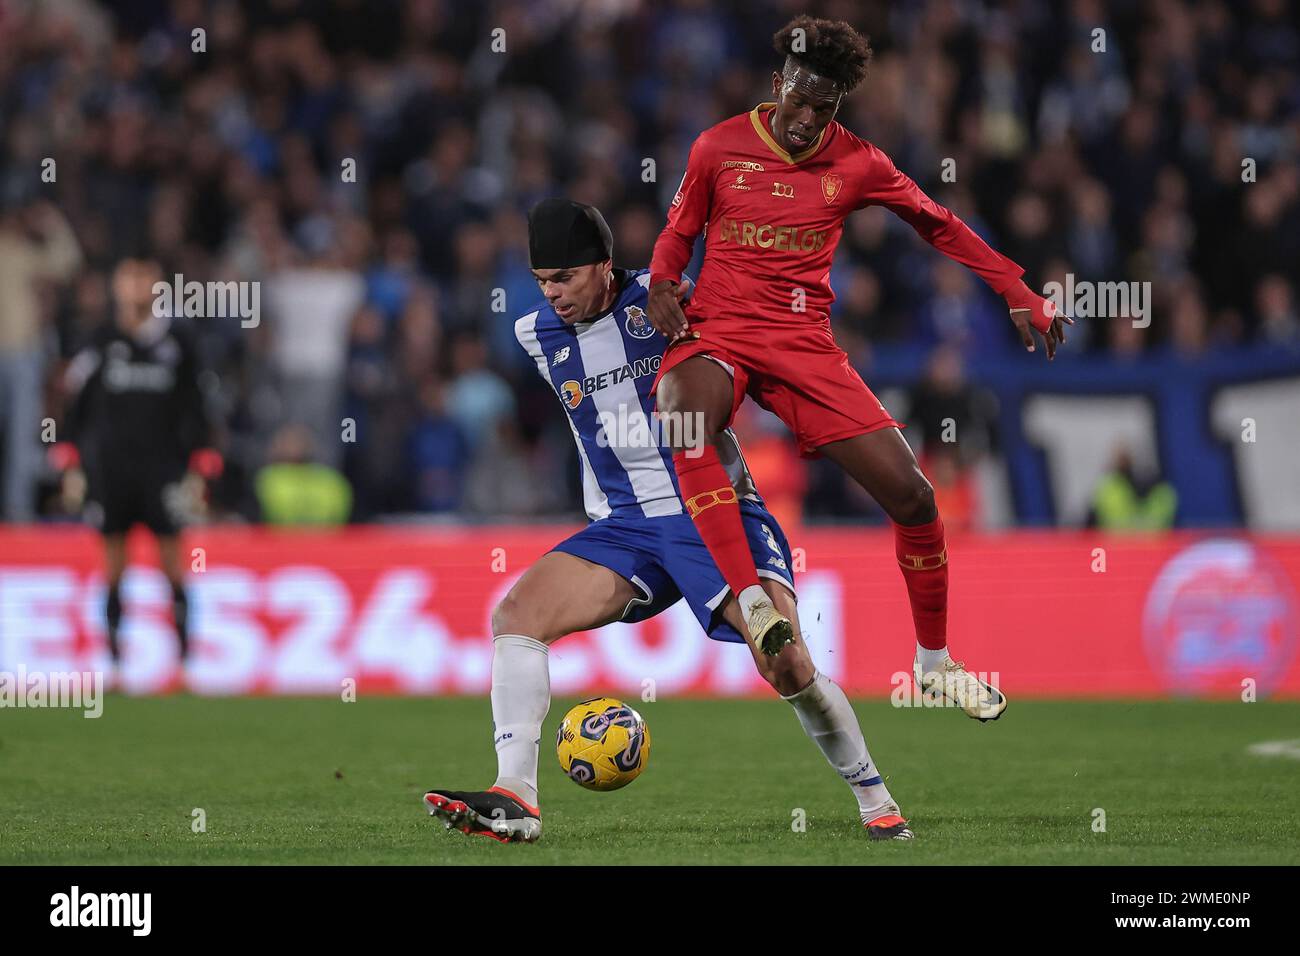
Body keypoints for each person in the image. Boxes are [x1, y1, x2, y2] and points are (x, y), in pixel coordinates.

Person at [423, 199, 912, 843]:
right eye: (542, 280)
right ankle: (516, 796)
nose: (552, 294)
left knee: (787, 662)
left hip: (713, 510)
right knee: (515, 616)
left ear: (604, 267)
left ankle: (877, 802)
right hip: (624, 528)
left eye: (565, 278)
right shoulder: (533, 335)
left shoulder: (671, 305)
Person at [646, 16, 1073, 720]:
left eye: (826, 107)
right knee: (684, 410)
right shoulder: (716, 147)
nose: (808, 119)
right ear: (778, 81)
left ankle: (933, 664)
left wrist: (1015, 288)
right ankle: (752, 600)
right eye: (801, 99)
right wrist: (665, 280)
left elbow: (938, 221)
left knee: (916, 500)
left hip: (804, 345)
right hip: (718, 331)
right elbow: (678, 230)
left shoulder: (858, 163)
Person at [53, 259, 220, 686]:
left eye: (145, 277)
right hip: (110, 470)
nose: (137, 286)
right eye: (128, 277)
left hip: (163, 470)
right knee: (112, 565)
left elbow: (197, 406)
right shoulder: (101, 341)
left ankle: (184, 665)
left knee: (173, 564)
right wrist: (69, 457)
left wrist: (201, 460)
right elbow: (76, 404)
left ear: (160, 285)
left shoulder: (178, 343)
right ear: (116, 285)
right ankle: (112, 665)